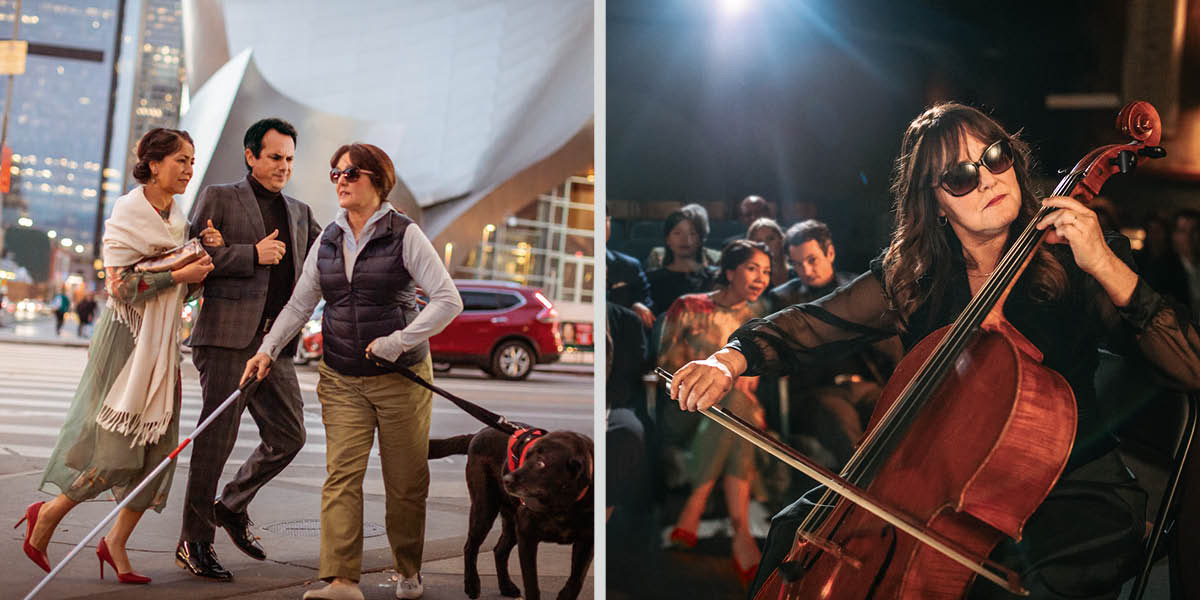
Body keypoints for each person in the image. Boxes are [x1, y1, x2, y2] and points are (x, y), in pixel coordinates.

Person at [668, 103, 1200, 599]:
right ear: (937, 202)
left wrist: (1105, 264)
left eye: (994, 156)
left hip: (1071, 488)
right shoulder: (918, 278)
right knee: (793, 530)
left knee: (996, 580)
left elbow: (1189, 365)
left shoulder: (1075, 260)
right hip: (934, 487)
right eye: (961, 176)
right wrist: (728, 359)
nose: (987, 177)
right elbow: (815, 323)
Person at [242, 142, 462, 600]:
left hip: (401, 378)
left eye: (351, 173)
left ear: (378, 181)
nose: (340, 179)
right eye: (335, 173)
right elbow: (301, 303)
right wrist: (267, 349)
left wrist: (397, 342)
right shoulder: (329, 238)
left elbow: (447, 300)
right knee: (341, 476)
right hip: (341, 376)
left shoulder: (405, 234)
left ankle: (408, 569)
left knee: (404, 483)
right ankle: (341, 580)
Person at [19, 128, 217, 584]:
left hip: (162, 345)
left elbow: (182, 289)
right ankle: (47, 514)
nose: (189, 169)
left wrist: (203, 263)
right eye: (181, 160)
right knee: (114, 454)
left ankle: (115, 543)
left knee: (160, 454)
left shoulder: (178, 219)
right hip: (127, 341)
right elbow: (121, 286)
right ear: (152, 163)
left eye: (191, 160)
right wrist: (177, 273)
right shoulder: (128, 213)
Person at [176, 118, 323, 581]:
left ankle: (232, 505)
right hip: (225, 339)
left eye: (289, 159)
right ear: (251, 156)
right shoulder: (220, 197)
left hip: (272, 346)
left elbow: (330, 260)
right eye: (275, 157)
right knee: (215, 442)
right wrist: (250, 255)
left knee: (290, 435)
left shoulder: (299, 212)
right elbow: (191, 257)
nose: (284, 167)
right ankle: (194, 541)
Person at [658, 239, 771, 587]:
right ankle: (741, 533)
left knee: (738, 409)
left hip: (736, 414)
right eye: (753, 268)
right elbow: (664, 369)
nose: (761, 278)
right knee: (735, 407)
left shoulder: (762, 314)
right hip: (685, 409)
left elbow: (762, 376)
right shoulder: (688, 306)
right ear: (728, 271)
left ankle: (701, 511)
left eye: (767, 271)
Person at [766, 219, 896, 468]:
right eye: (797, 264)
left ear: (830, 253)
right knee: (841, 420)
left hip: (866, 384)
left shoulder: (858, 288)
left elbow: (890, 343)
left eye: (812, 260)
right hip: (819, 390)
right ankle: (861, 494)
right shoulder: (784, 299)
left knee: (893, 418)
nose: (805, 270)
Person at [646, 205, 719, 317]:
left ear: (700, 239)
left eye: (692, 233)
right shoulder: (652, 280)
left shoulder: (714, 277)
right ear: (668, 240)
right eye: (677, 233)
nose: (685, 239)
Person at [606, 215, 655, 328]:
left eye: (604, 220)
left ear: (609, 222)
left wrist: (635, 307)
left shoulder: (630, 266)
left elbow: (649, 309)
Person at [747, 218, 789, 288]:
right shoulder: (750, 281)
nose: (766, 245)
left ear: (781, 239)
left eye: (770, 239)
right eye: (759, 242)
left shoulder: (799, 271)